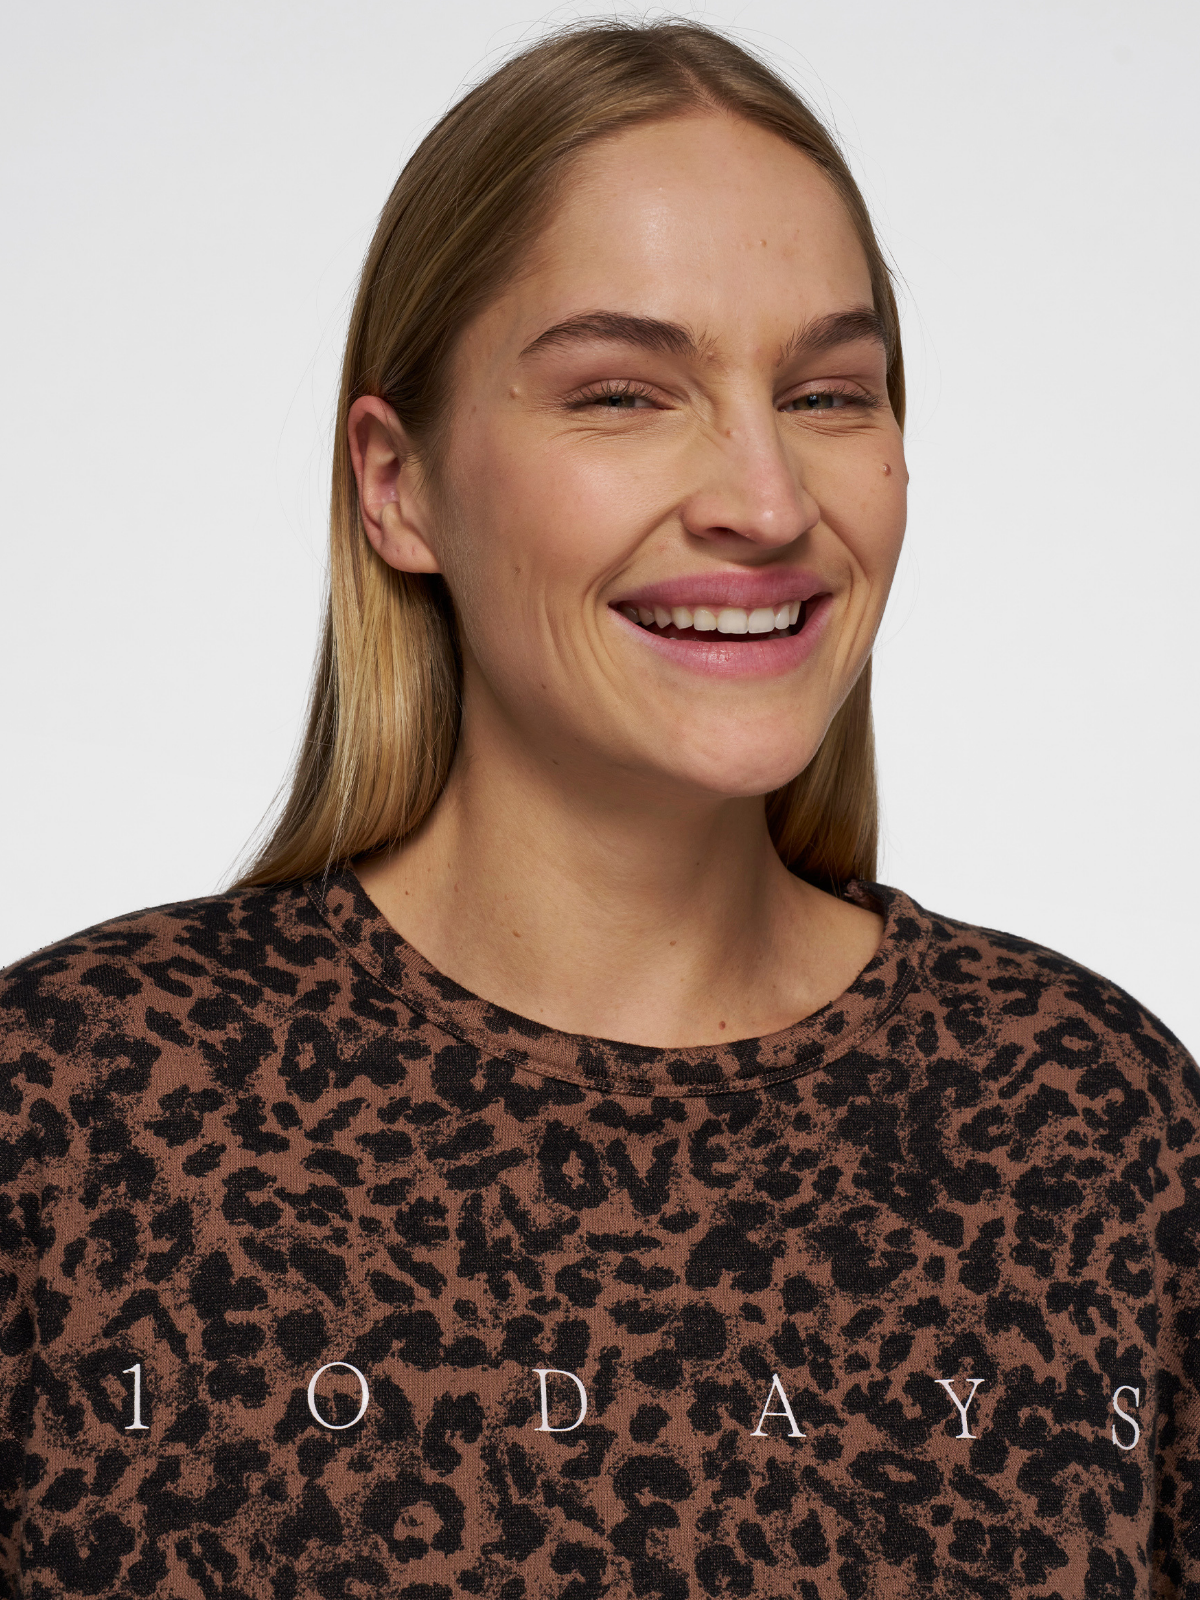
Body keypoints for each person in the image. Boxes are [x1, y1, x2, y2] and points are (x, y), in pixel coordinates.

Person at [1, 19, 1195, 1598]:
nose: (766, 501)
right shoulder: (77, 1115)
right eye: (626, 395)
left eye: (830, 394)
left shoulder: (1092, 1127)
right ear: (397, 485)